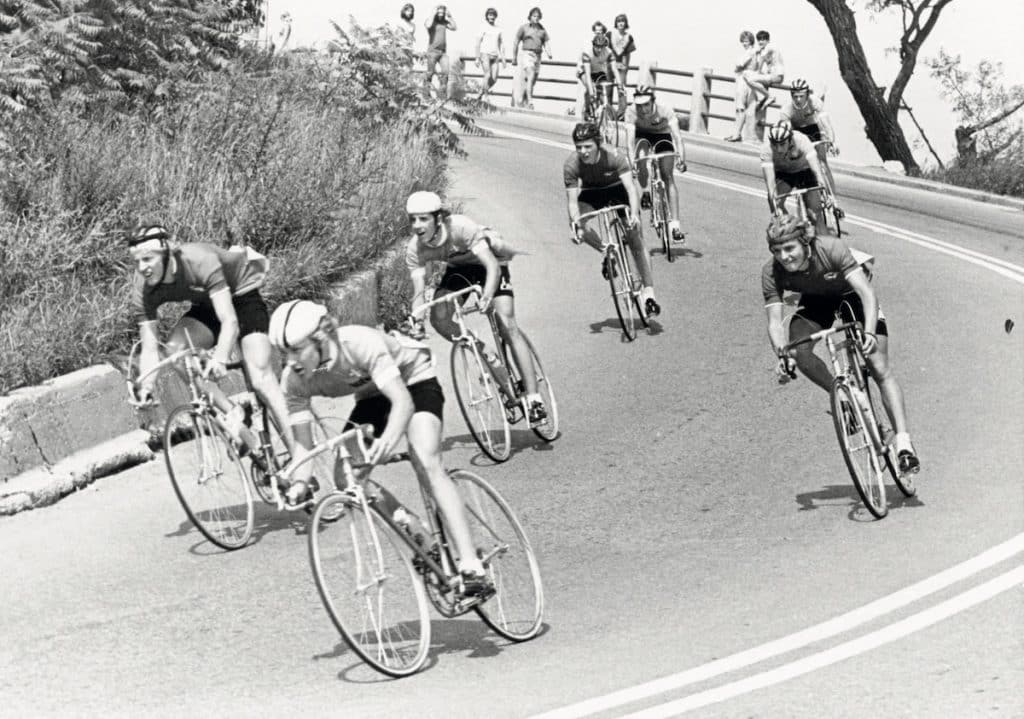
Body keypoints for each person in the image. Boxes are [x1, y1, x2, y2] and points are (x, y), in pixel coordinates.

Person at [267, 300, 495, 597]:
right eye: (284, 354)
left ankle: (470, 564)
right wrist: (298, 483)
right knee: (347, 477)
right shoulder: (295, 381)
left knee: (424, 457)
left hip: (414, 380)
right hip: (372, 397)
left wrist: (388, 439)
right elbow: (303, 446)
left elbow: (403, 403)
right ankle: (418, 533)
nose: (290, 362)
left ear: (321, 338)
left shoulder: (359, 343)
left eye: (296, 351)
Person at [761, 214, 920, 475]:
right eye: (777, 251)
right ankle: (842, 396)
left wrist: (869, 332)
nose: (784, 256)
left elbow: (867, 294)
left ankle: (904, 444)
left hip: (851, 295)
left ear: (805, 243)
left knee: (879, 366)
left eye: (790, 248)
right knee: (799, 351)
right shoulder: (771, 272)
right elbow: (775, 323)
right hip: (817, 301)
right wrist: (782, 354)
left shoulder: (830, 248)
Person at [127, 220, 294, 468]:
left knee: (261, 378)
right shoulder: (142, 290)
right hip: (207, 306)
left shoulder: (200, 260)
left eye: (149, 259)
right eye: (137, 261)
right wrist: (146, 386)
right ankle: (235, 415)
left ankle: (301, 461)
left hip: (242, 296)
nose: (142, 268)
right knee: (175, 352)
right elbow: (151, 349)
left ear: (167, 254)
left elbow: (230, 322)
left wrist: (221, 357)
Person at [404, 191, 549, 426]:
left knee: (506, 323)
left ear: (438, 218)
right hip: (459, 270)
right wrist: (416, 319)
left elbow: (491, 265)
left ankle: (534, 399)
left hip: (489, 265)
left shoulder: (460, 227)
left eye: (423, 219)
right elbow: (419, 292)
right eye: (412, 219)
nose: (417, 226)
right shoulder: (415, 249)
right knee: (439, 318)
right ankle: (481, 350)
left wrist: (488, 295)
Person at [564, 122, 661, 317]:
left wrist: (634, 215)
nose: (583, 151)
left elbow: (631, 190)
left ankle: (649, 294)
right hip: (592, 193)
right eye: (579, 147)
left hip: (617, 189)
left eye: (588, 146)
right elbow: (573, 203)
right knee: (579, 226)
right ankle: (607, 251)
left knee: (635, 237)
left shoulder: (614, 156)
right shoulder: (571, 165)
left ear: (598, 144)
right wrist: (575, 224)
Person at [625, 85, 687, 242]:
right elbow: (630, 143)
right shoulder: (631, 112)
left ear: (653, 101)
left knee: (667, 175)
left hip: (662, 135)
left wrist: (682, 158)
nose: (643, 109)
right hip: (642, 135)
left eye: (646, 104)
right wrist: (633, 163)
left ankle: (675, 225)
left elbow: (678, 137)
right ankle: (645, 192)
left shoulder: (665, 110)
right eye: (639, 105)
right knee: (640, 156)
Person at [779, 78, 843, 216]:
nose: (798, 99)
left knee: (823, 164)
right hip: (798, 134)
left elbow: (826, 124)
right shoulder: (786, 110)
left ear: (807, 95)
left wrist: (832, 142)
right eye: (795, 96)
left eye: (801, 96)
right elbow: (787, 133)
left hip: (813, 131)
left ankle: (834, 202)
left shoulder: (815, 102)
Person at [760, 120, 832, 236]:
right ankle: (791, 231)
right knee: (775, 204)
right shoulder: (766, 149)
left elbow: (816, 170)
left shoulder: (802, 140)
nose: (778, 149)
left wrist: (825, 191)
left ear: (790, 140)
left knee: (815, 213)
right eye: (775, 144)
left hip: (805, 171)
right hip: (784, 174)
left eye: (782, 144)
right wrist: (776, 208)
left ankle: (825, 244)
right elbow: (770, 182)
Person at [576, 23, 623, 121]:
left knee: (602, 92)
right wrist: (591, 92)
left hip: (598, 71)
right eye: (597, 47)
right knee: (591, 88)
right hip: (584, 70)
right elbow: (588, 75)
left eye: (601, 47)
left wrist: (620, 86)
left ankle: (603, 114)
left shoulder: (609, 52)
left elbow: (615, 70)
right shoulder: (587, 53)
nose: (599, 49)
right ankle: (587, 111)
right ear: (593, 45)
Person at [511, 7, 552, 109]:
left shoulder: (542, 30)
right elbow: (516, 42)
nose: (536, 18)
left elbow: (546, 43)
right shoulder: (524, 28)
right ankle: (530, 101)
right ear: (530, 17)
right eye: (534, 16)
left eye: (538, 16)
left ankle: (522, 98)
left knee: (533, 80)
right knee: (531, 74)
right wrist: (514, 57)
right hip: (527, 53)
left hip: (538, 55)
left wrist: (549, 52)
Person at [725, 30, 757, 142]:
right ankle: (736, 133)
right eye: (743, 41)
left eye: (746, 41)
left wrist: (738, 67)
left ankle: (737, 134)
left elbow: (739, 64)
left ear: (751, 41)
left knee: (740, 108)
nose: (744, 43)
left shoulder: (750, 52)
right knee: (740, 108)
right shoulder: (751, 52)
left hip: (745, 81)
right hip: (744, 80)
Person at [744, 30, 785, 111]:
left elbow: (761, 60)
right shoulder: (765, 49)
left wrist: (758, 73)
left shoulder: (769, 47)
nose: (760, 42)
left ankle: (769, 96)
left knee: (750, 79)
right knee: (747, 74)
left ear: (768, 40)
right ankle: (764, 98)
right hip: (773, 75)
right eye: (759, 40)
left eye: (763, 40)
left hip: (777, 76)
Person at [424, 5, 457, 99]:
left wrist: (450, 16)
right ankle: (426, 94)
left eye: (442, 13)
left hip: (443, 52)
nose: (441, 14)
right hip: (432, 52)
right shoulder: (430, 21)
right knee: (430, 73)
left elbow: (454, 28)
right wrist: (433, 12)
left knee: (446, 72)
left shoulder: (444, 22)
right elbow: (428, 25)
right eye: (439, 12)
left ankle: (441, 95)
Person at [475, 8, 505, 100]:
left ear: (495, 16)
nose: (491, 17)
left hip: (495, 56)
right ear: (487, 16)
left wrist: (503, 58)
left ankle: (481, 92)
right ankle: (486, 96)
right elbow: (478, 43)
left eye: (493, 15)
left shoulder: (498, 29)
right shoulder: (483, 27)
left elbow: (501, 44)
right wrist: (477, 57)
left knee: (494, 79)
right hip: (485, 54)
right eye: (489, 15)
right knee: (487, 75)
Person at [608, 13, 636, 92]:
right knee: (607, 90)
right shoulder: (610, 35)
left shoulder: (629, 38)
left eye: (623, 21)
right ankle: (607, 104)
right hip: (610, 66)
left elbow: (628, 54)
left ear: (626, 23)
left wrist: (626, 69)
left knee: (622, 90)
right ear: (616, 23)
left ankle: (622, 104)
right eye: (618, 21)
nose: (620, 23)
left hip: (621, 66)